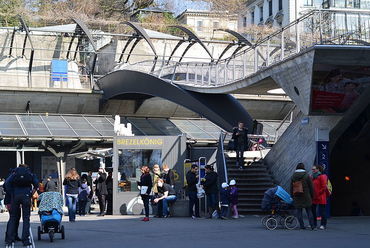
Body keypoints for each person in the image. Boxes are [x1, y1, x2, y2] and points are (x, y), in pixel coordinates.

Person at [5, 164, 38, 246]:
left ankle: (9, 239)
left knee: (13, 217)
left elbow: (7, 183)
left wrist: (11, 192)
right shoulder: (29, 173)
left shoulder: (14, 173)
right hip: (26, 196)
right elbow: (36, 184)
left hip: (15, 196)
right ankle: (25, 240)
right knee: (26, 218)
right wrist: (31, 192)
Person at [291, 163, 315, 230]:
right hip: (306, 196)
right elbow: (311, 187)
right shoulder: (306, 175)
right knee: (309, 211)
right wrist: (312, 196)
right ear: (303, 168)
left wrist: (292, 196)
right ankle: (312, 226)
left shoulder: (293, 176)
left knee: (299, 211)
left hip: (297, 195)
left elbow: (291, 187)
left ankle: (302, 226)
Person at [311, 165, 328, 230]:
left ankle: (323, 224)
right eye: (312, 169)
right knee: (313, 211)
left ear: (318, 169)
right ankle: (314, 224)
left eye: (314, 169)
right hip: (314, 196)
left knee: (322, 211)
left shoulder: (322, 176)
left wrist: (318, 194)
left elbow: (323, 187)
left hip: (320, 196)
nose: (313, 170)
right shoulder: (313, 177)